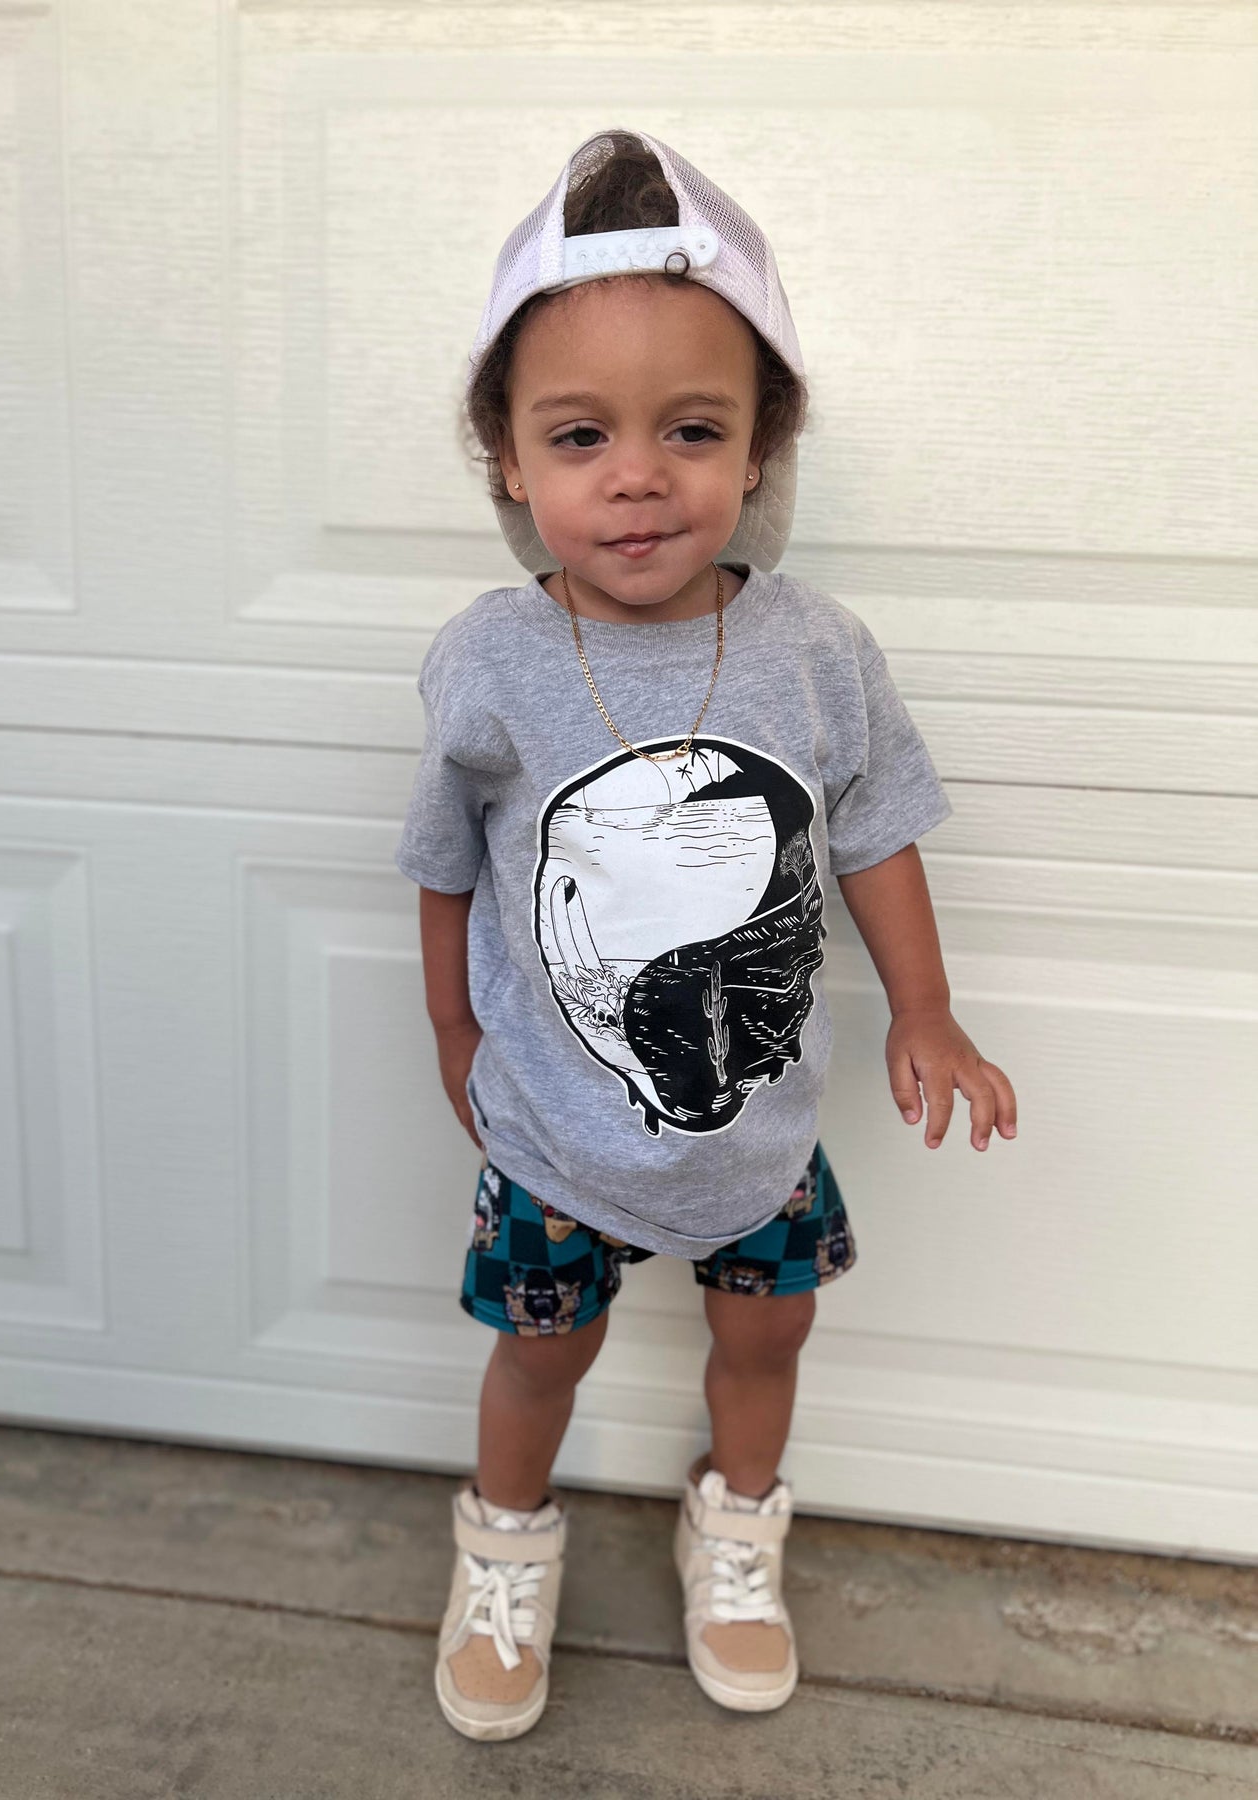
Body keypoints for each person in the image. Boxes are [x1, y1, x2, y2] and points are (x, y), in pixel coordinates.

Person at [395, 126, 1017, 1742]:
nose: (637, 474)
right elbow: (445, 859)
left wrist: (924, 1009)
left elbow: (870, 828)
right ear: (508, 464)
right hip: (550, 1131)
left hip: (767, 1141)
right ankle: (505, 1546)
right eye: (579, 434)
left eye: (691, 429)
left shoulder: (814, 651)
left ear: (759, 452)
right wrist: (454, 1031)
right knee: (540, 1357)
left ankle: (733, 1531)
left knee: (765, 1335)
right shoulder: (490, 661)